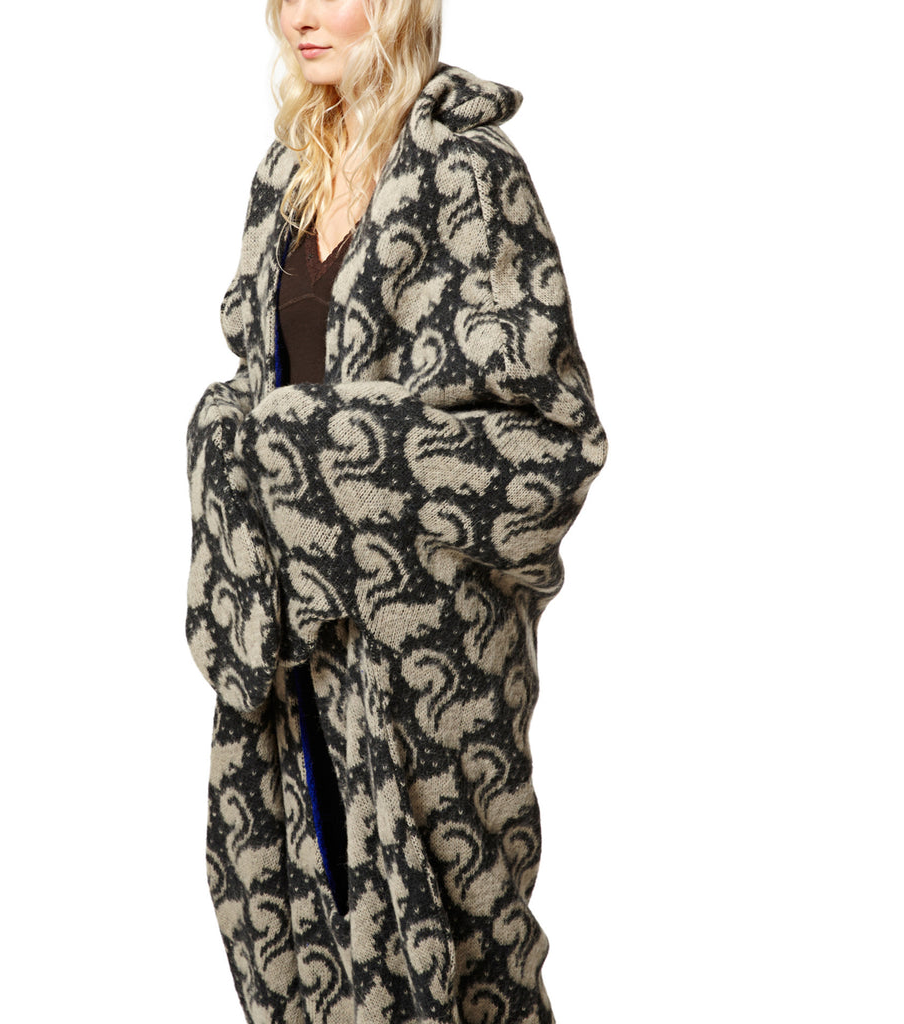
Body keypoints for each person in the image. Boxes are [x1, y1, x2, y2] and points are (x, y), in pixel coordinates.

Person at [184, 1, 609, 1021]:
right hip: (297, 636)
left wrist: (321, 445)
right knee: (308, 910)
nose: (297, 17)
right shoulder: (287, 176)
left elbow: (551, 440)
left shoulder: (470, 172)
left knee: (466, 949)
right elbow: (258, 388)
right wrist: (235, 441)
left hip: (432, 659)